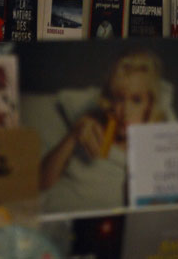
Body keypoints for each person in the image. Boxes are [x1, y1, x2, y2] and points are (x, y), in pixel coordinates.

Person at [37, 50, 170, 211]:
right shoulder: (91, 125)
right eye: (120, 99)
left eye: (136, 100)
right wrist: (72, 136)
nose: (125, 111)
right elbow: (40, 182)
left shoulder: (156, 145)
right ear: (111, 100)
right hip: (51, 210)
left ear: (149, 105)